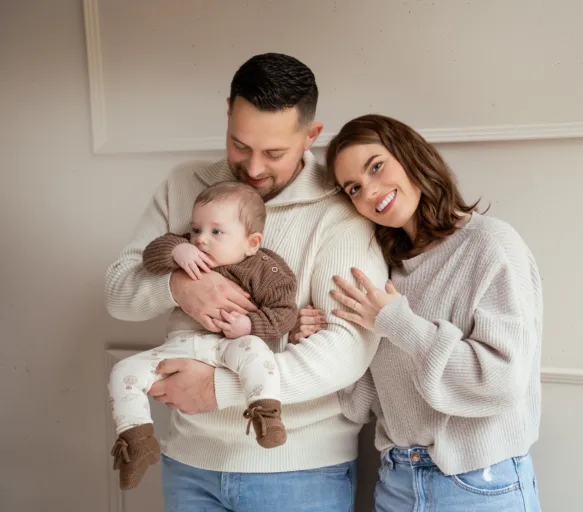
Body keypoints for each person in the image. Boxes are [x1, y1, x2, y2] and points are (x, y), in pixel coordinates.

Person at [104, 53, 388, 511]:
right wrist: (181, 287)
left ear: (311, 136)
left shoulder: (339, 209)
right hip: (188, 462)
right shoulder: (184, 184)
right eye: (239, 145)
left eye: (274, 153)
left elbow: (350, 343)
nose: (254, 168)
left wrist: (220, 389)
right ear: (228, 114)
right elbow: (119, 292)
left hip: (298, 470)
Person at [297, 114, 543, 511]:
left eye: (376, 166)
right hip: (397, 481)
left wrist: (400, 324)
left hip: (479, 484)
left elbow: (502, 381)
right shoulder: (385, 272)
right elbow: (361, 404)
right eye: (354, 188)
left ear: (409, 154)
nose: (371, 192)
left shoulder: (491, 245)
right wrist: (320, 335)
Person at [108, 181, 297, 491]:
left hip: (230, 345)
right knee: (123, 371)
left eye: (216, 232)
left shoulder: (267, 270)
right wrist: (177, 250)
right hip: (179, 347)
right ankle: (137, 440)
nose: (201, 240)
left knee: (257, 354)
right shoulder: (186, 248)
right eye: (196, 230)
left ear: (252, 242)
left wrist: (250, 325)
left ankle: (266, 414)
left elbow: (284, 313)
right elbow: (151, 254)